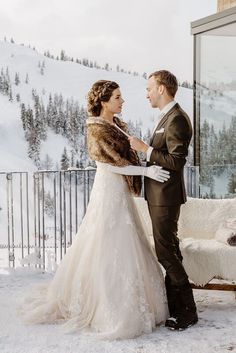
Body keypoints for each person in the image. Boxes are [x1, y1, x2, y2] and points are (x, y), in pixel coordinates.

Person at [19, 79, 170, 340]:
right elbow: (111, 165)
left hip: (119, 190)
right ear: (103, 102)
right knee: (108, 240)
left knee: (127, 239)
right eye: (117, 98)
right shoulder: (97, 129)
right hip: (109, 188)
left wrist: (144, 157)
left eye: (121, 97)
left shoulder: (115, 124)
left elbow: (126, 157)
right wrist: (146, 170)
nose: (122, 101)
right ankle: (109, 306)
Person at [129, 70, 198, 330]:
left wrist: (145, 149)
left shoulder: (177, 119)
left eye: (149, 88)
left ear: (161, 88)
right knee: (170, 249)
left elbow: (177, 162)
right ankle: (177, 307)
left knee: (165, 252)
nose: (146, 93)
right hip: (159, 195)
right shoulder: (167, 117)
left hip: (165, 197)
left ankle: (189, 310)